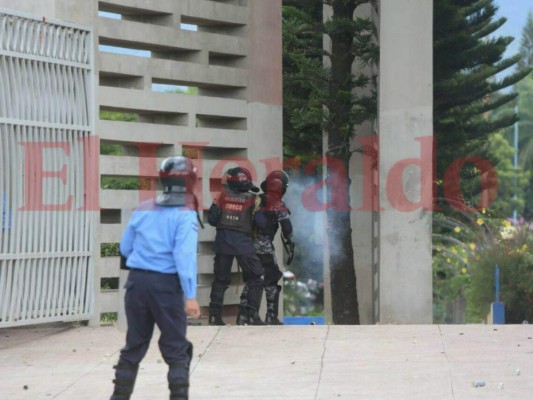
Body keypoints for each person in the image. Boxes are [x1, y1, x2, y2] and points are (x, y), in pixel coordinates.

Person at [110, 156, 201, 400]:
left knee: (134, 346)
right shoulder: (185, 214)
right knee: (176, 348)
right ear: (190, 181)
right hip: (166, 287)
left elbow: (126, 248)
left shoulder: (142, 208)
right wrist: (190, 296)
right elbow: (184, 258)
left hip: (136, 284)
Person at [207, 166, 265, 326]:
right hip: (242, 243)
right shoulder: (254, 199)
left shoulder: (221, 197)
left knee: (220, 280)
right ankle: (251, 316)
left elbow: (212, 220)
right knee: (255, 278)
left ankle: (214, 317)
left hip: (222, 242)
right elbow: (261, 223)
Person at [236, 170, 294, 325]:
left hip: (246, 245)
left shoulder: (254, 199)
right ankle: (271, 316)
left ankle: (243, 315)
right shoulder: (277, 204)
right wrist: (290, 241)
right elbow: (287, 228)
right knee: (272, 278)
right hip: (264, 246)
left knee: (252, 279)